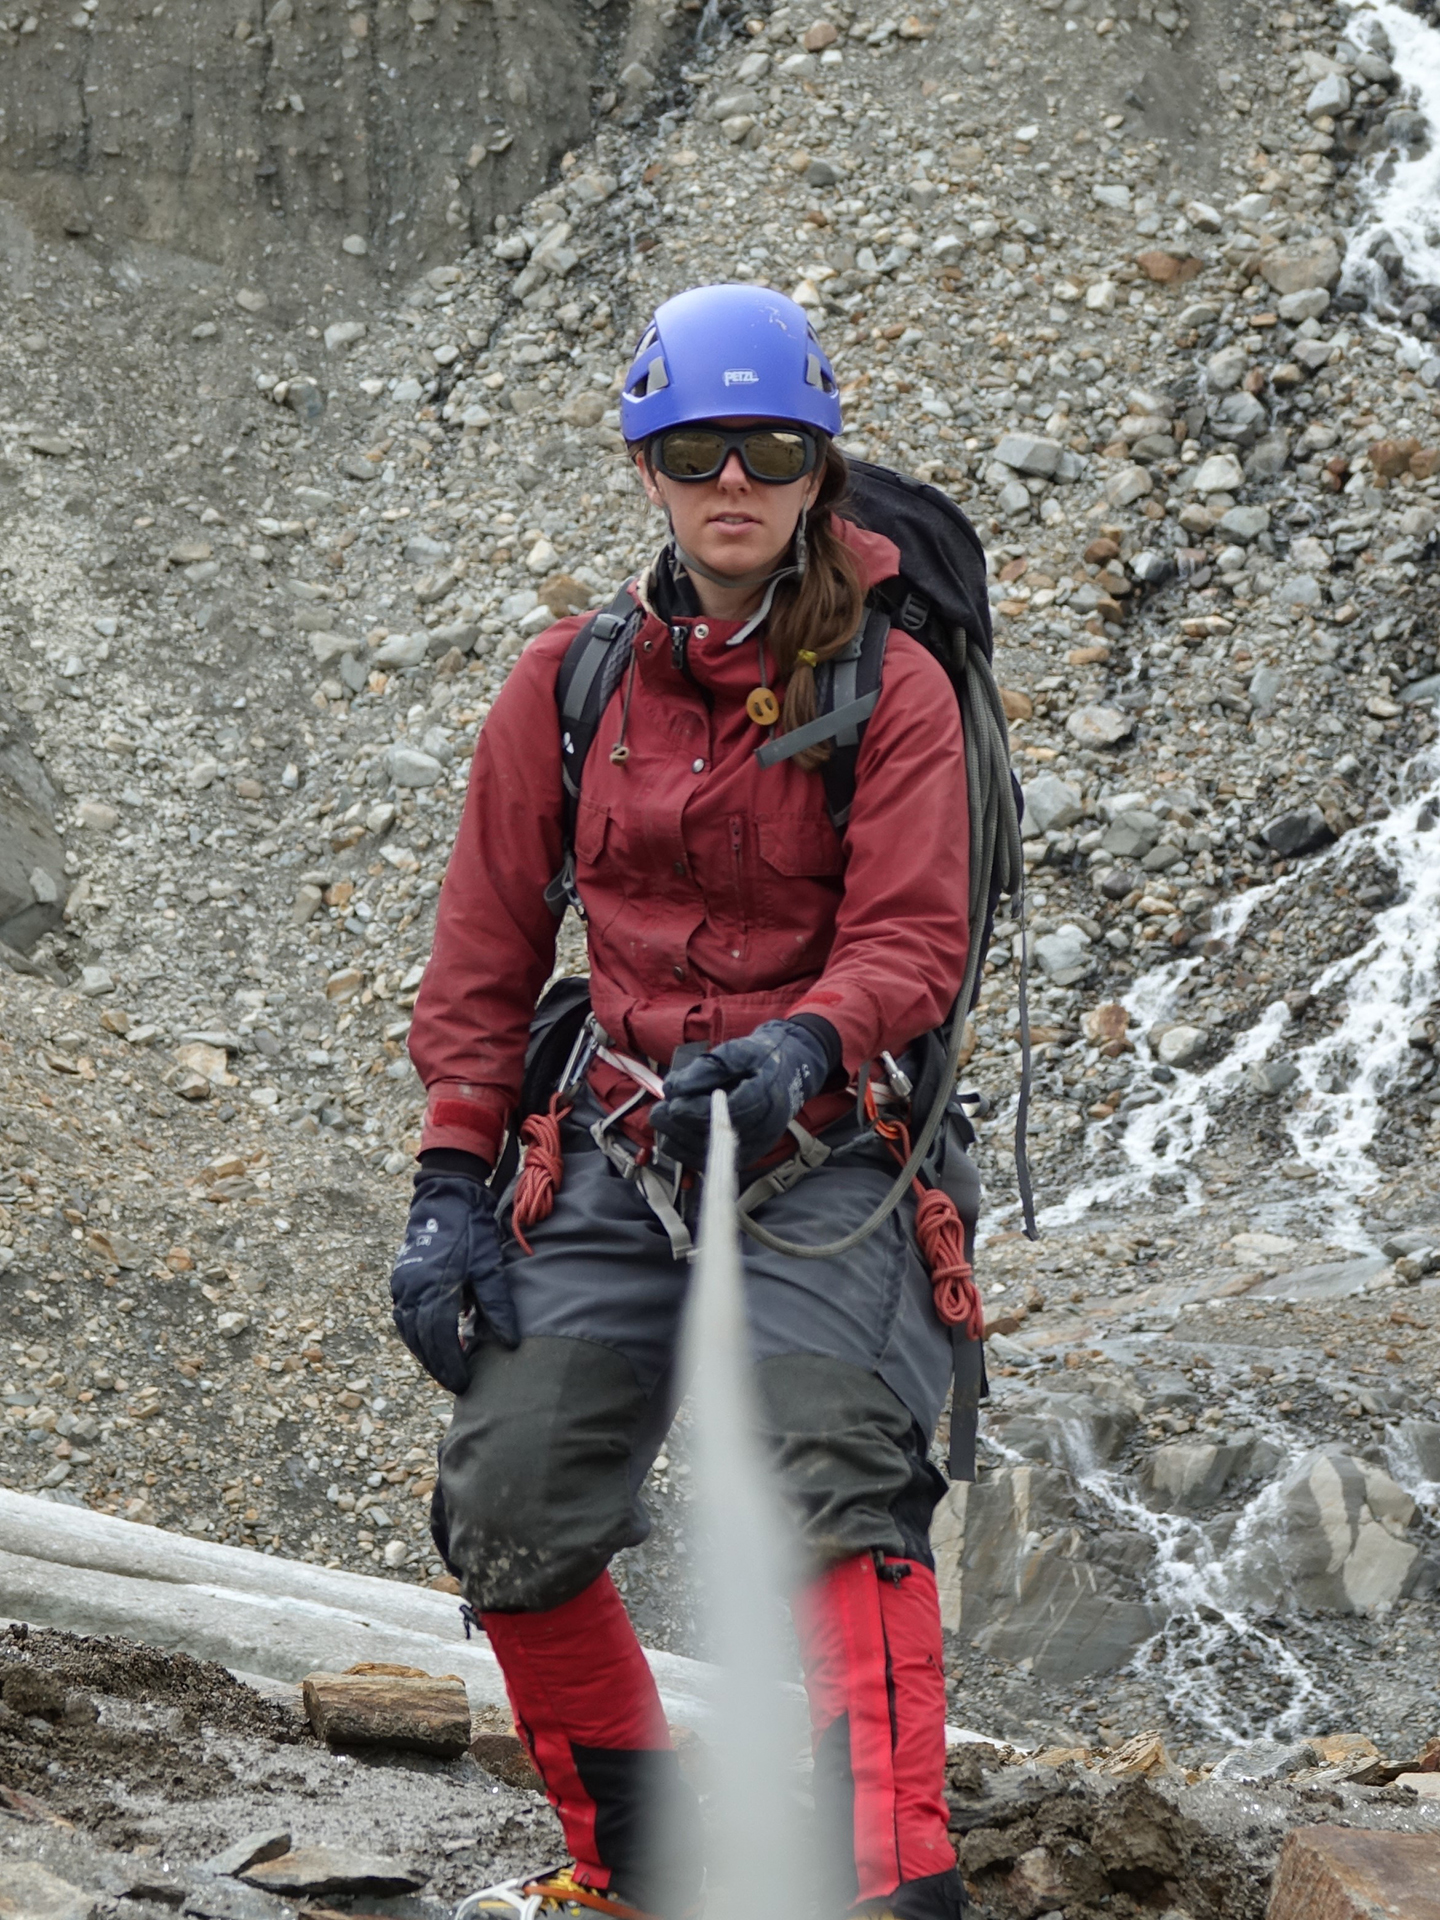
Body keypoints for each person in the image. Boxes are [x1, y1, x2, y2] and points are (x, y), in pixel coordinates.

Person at [391, 283, 973, 1920]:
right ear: (646, 463)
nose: (735, 480)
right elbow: (485, 955)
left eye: (771, 450)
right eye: (700, 448)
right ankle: (636, 1876)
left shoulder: (896, 690)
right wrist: (448, 1182)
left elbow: (914, 938)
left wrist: (803, 1047)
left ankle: (893, 1893)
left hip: (827, 1145)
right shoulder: (565, 688)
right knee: (508, 1498)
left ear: (816, 469)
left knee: (839, 1477)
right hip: (623, 1146)